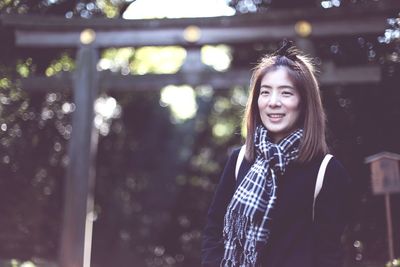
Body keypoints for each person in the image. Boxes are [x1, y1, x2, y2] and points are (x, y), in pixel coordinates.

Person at [201, 41, 351, 267]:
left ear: (304, 103)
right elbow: (214, 231)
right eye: (265, 92)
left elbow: (329, 254)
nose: (273, 102)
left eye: (286, 93)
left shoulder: (327, 171)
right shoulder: (240, 160)